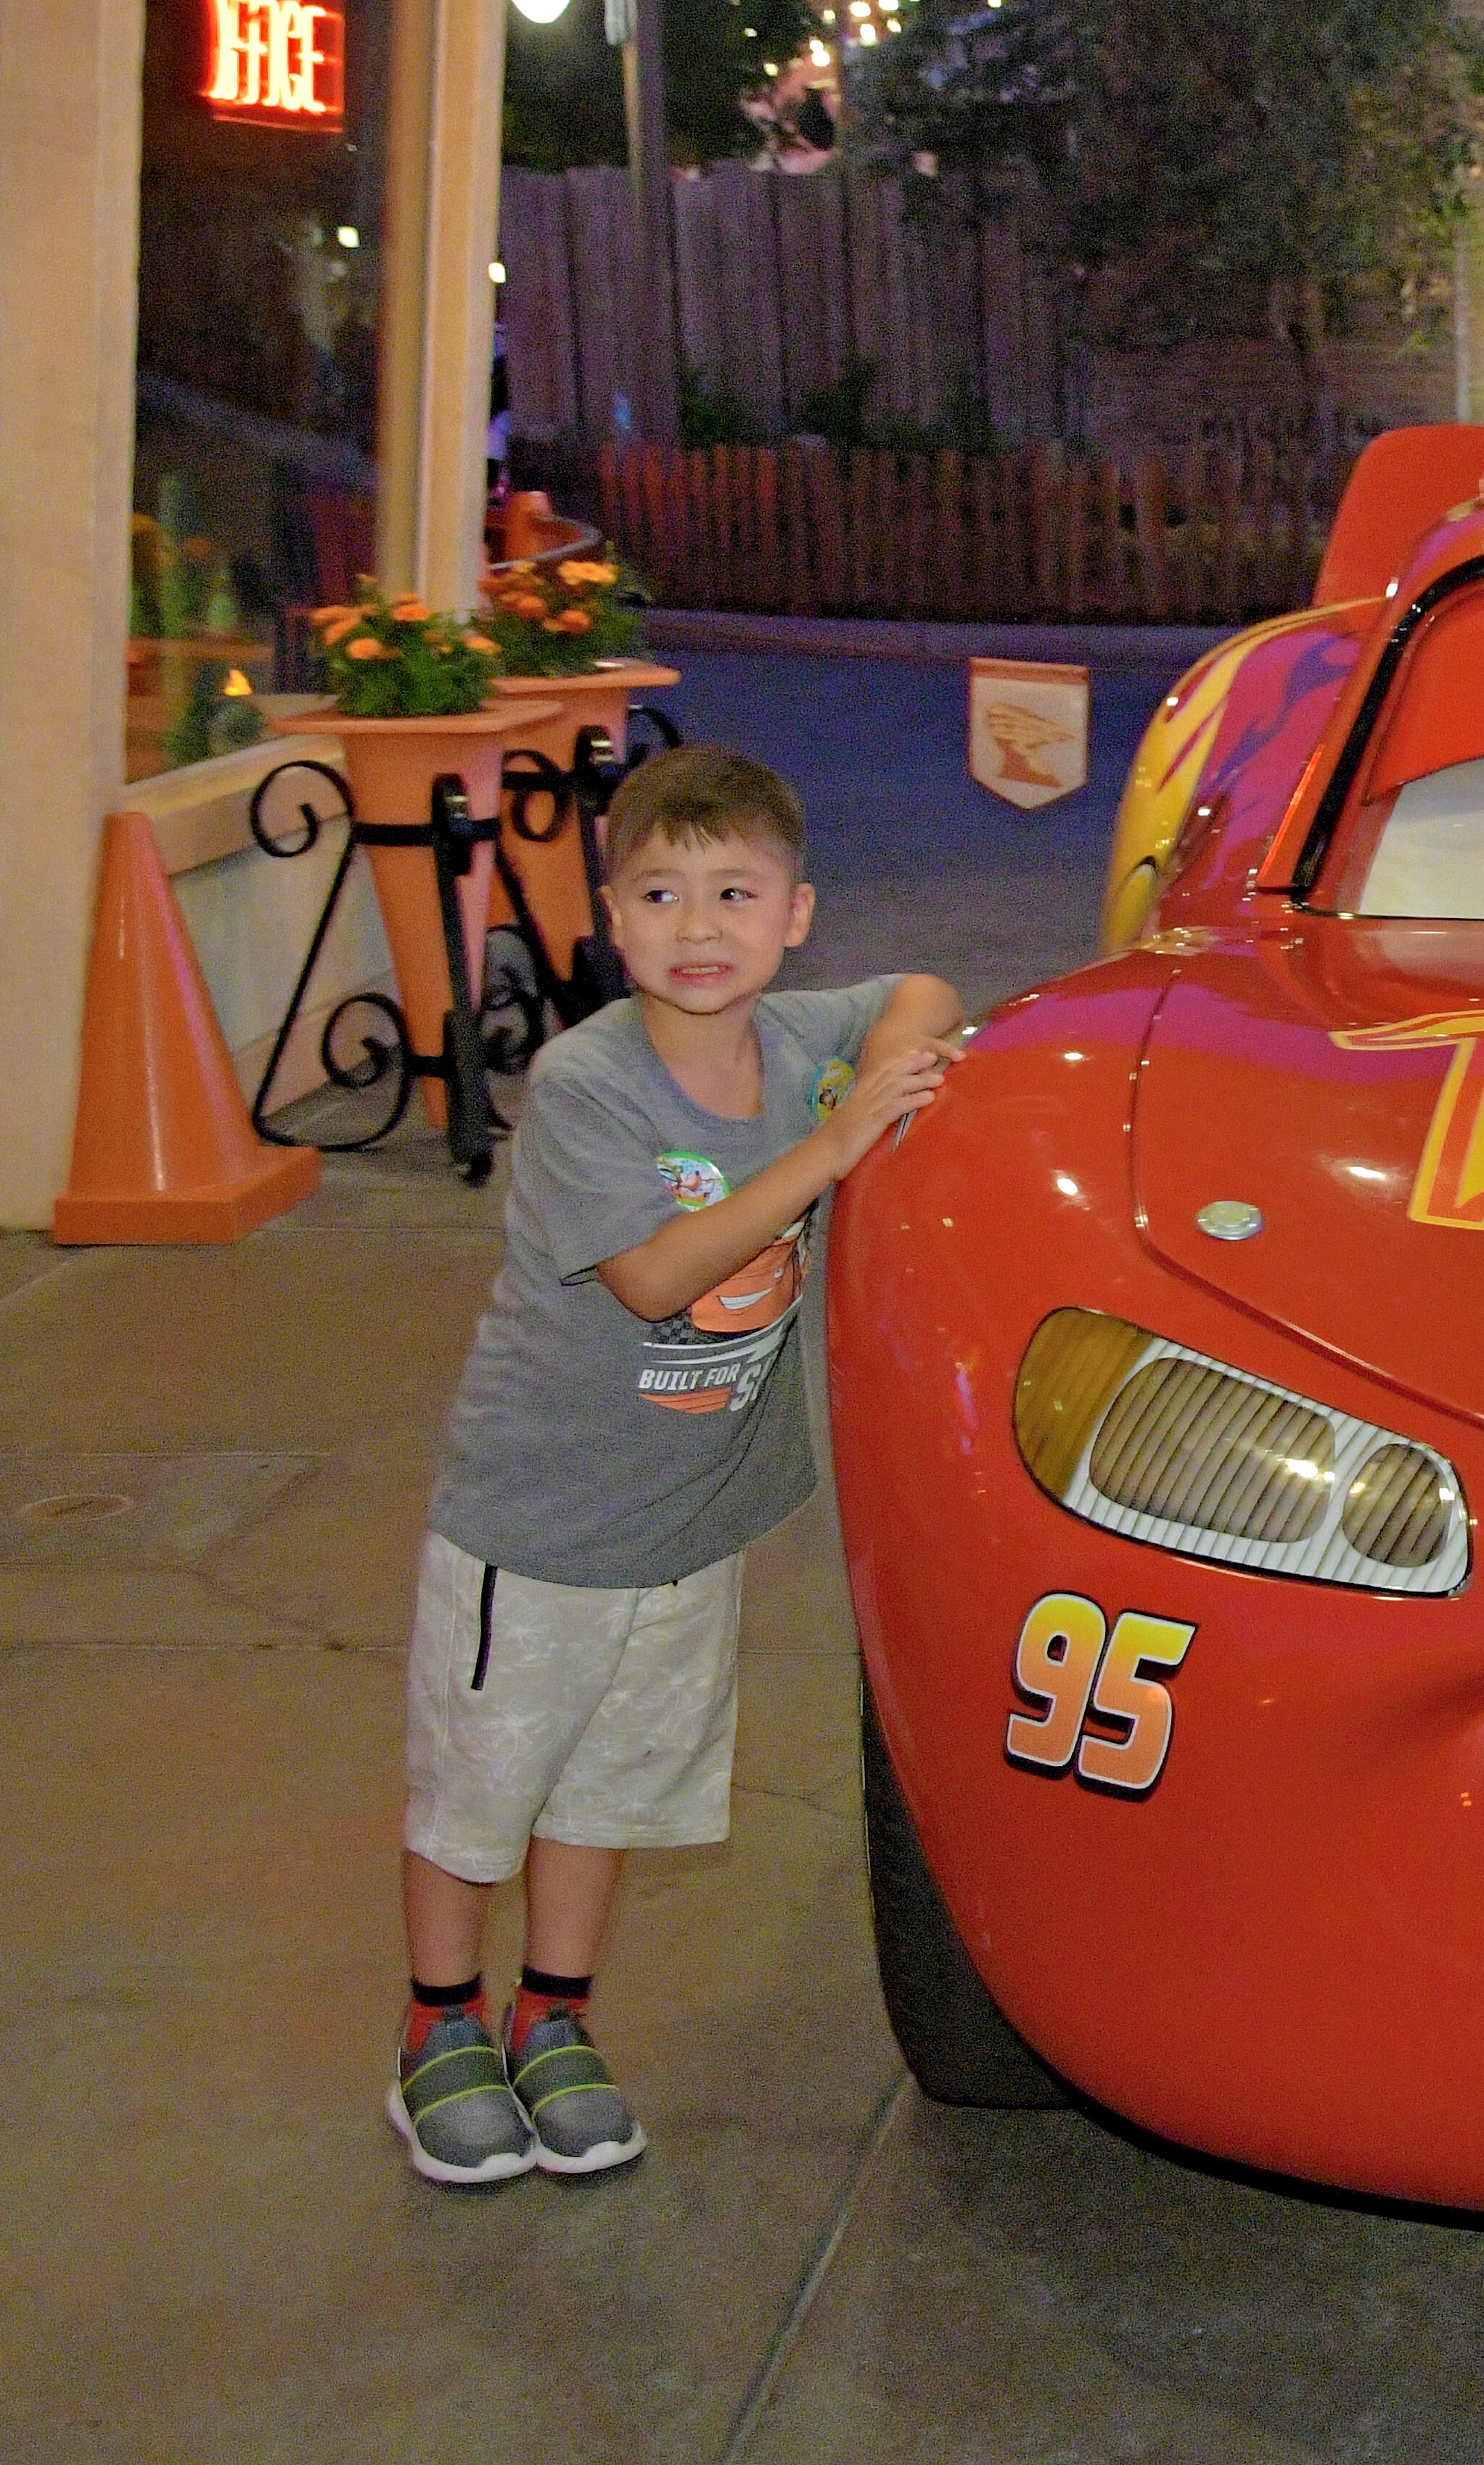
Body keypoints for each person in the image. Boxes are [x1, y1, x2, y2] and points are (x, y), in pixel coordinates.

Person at [391, 745, 963, 2184]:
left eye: (733, 892)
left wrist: (893, 1051)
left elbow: (928, 994)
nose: (698, 927)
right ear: (613, 916)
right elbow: (657, 1272)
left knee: (611, 1789)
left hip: (688, 1523)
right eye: (660, 893)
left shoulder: (797, 1035)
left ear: (795, 914)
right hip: (541, 1516)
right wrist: (837, 1144)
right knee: (484, 1790)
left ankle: (556, 2019)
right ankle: (440, 2027)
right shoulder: (588, 1082)